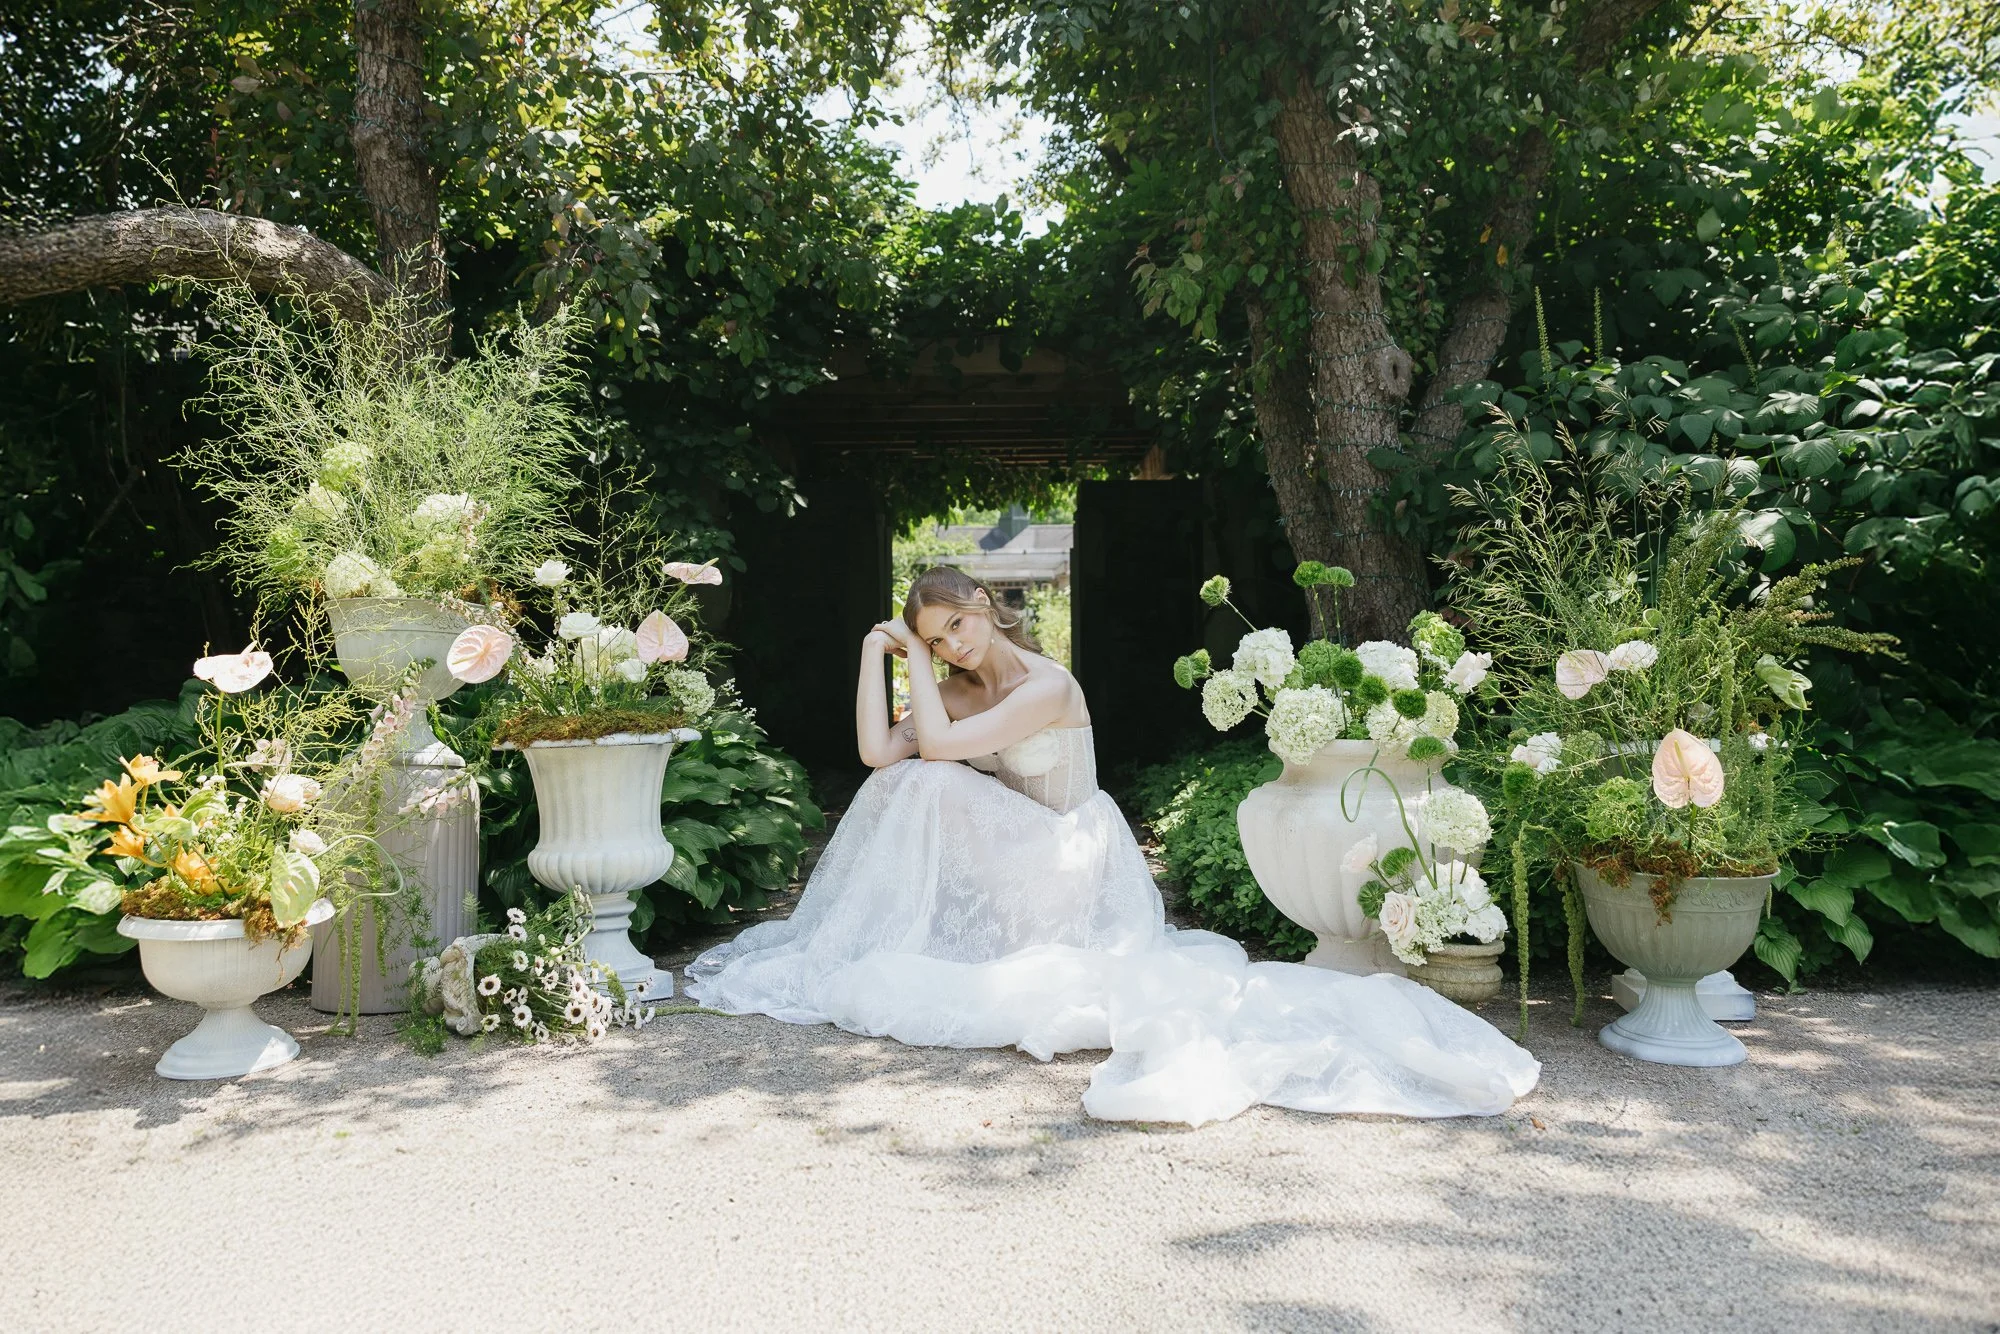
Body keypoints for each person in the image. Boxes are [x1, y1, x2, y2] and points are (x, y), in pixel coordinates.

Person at [686, 566, 1540, 1125]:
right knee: (904, 780)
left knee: (933, 777)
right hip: (1015, 852)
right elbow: (879, 753)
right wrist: (882, 660)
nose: (952, 644)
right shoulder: (946, 684)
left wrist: (908, 654)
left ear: (984, 604)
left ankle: (901, 930)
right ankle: (894, 931)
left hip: (1065, 859)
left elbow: (940, 751)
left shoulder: (1047, 682)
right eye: (936, 638)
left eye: (954, 624)